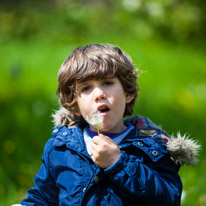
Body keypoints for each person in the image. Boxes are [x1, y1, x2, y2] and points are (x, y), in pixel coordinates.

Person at [20, 44, 200, 206]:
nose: (98, 93)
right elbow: (44, 198)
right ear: (74, 104)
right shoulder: (60, 149)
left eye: (107, 83)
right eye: (86, 88)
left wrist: (118, 163)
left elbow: (168, 198)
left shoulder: (151, 148)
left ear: (128, 93)